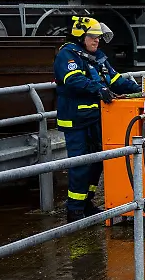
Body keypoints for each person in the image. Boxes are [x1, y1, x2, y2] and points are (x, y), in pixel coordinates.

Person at [54, 16, 140, 222]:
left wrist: (141, 89)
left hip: (95, 119)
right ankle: (74, 210)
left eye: (99, 38)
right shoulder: (67, 55)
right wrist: (99, 89)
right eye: (93, 37)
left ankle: (87, 202)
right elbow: (73, 80)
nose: (96, 41)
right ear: (80, 37)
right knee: (81, 164)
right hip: (76, 121)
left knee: (97, 163)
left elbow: (115, 79)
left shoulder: (96, 57)